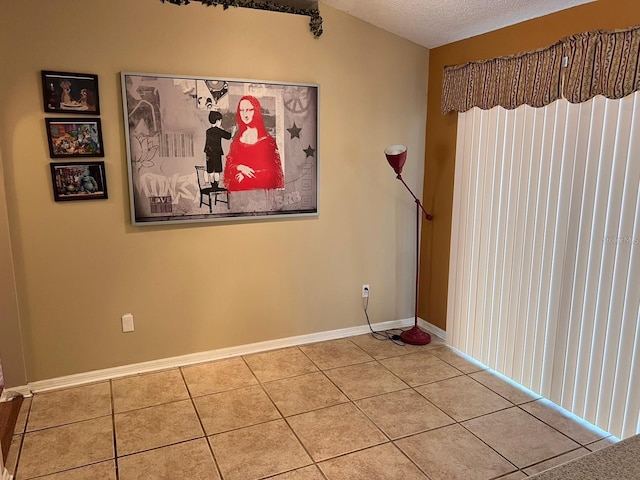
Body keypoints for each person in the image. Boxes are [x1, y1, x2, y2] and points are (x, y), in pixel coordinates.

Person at [223, 95, 284, 191]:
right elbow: (228, 166)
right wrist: (240, 167)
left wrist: (248, 175)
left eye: (249, 110)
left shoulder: (268, 141)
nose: (245, 114)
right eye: (242, 110)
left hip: (260, 192)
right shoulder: (236, 141)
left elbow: (276, 174)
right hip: (238, 192)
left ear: (256, 111)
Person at [203, 110, 233, 190]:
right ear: (217, 121)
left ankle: (212, 185)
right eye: (220, 121)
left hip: (208, 153)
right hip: (216, 153)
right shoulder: (218, 131)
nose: (220, 122)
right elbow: (228, 136)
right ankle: (215, 186)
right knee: (217, 170)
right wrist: (233, 130)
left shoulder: (208, 131)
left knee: (211, 170)